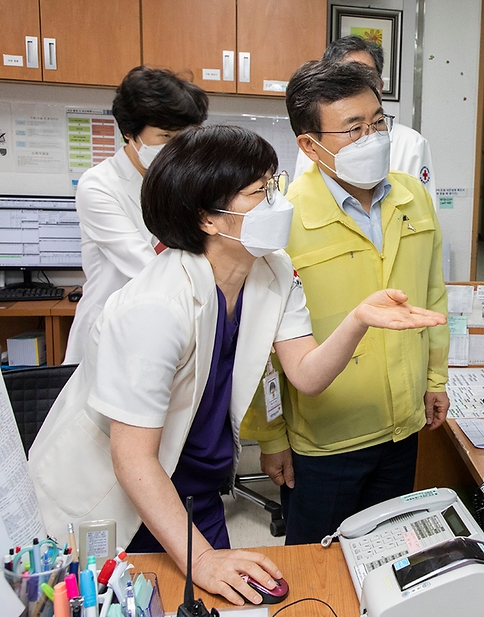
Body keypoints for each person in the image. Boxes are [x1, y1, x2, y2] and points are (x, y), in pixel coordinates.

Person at [28, 125, 445, 605]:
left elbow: (306, 374)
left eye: (274, 183)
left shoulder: (272, 269)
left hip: (196, 490)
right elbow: (133, 459)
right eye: (260, 192)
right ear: (209, 218)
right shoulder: (157, 307)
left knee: (224, 599)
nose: (278, 201)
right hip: (119, 501)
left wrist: (359, 319)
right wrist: (202, 559)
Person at [242, 61, 449, 544]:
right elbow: (260, 347)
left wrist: (436, 378)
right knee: (319, 571)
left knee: (392, 558)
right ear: (310, 145)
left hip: (402, 425)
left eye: (378, 123)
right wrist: (271, 437)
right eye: (353, 129)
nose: (372, 137)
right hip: (326, 440)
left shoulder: (413, 196)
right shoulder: (283, 221)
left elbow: (433, 292)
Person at [64, 66, 209, 364]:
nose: (176, 147)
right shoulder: (99, 185)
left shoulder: (182, 182)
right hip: (111, 330)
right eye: (165, 135)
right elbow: (145, 265)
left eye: (183, 135)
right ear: (130, 133)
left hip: (168, 326)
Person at [292, 35, 438, 209]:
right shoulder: (317, 144)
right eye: (347, 77)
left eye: (367, 76)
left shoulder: (411, 144)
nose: (358, 85)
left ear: (380, 86)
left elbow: (426, 214)